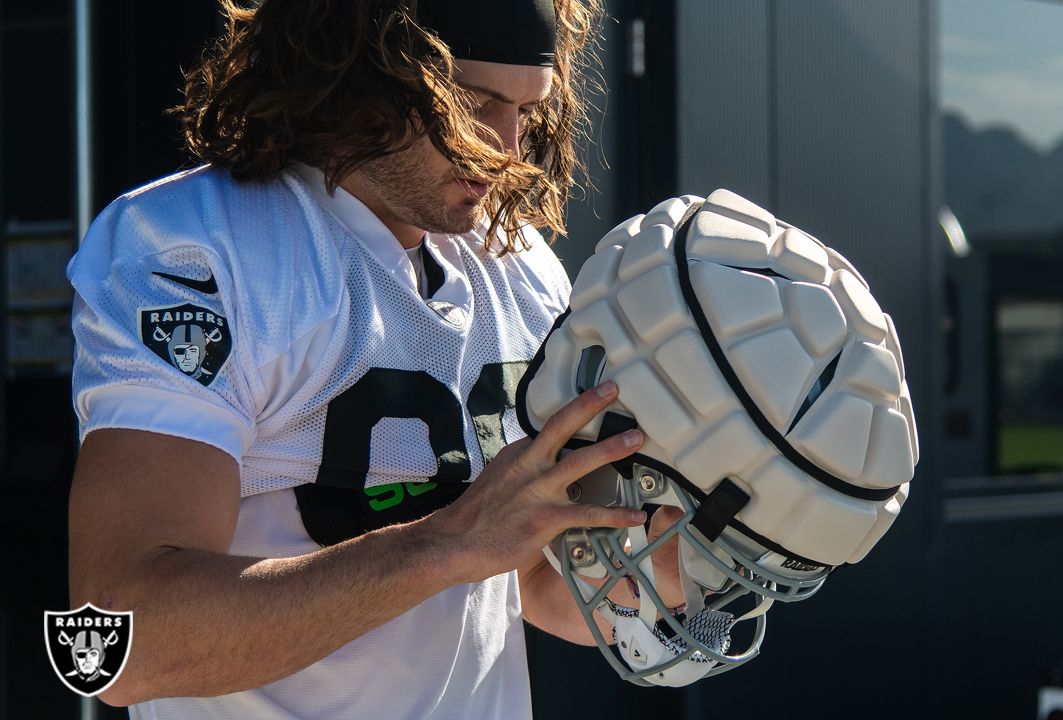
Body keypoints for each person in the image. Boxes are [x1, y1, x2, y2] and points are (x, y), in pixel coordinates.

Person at [65, 0, 659, 717]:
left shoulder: (518, 266)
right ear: (361, 74)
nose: (507, 150)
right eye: (474, 104)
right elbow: (122, 641)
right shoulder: (195, 248)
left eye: (527, 114)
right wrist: (448, 543)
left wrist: (701, 548)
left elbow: (535, 585)